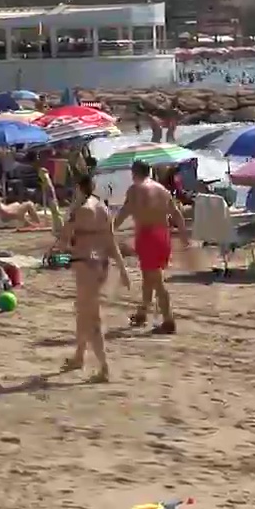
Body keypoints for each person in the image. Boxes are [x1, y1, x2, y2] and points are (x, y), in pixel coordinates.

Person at [57, 174, 130, 383]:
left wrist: (68, 212)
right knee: (83, 311)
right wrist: (123, 268)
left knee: (90, 316)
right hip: (101, 264)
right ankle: (79, 356)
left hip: (85, 263)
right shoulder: (103, 208)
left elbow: (62, 239)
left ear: (79, 189)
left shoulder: (81, 211)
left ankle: (104, 367)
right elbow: (111, 240)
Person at [115, 160, 189, 334]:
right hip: (163, 235)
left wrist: (109, 229)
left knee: (156, 280)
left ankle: (169, 319)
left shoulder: (135, 189)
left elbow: (124, 212)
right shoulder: (162, 190)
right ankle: (142, 312)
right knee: (149, 277)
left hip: (148, 236)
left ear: (134, 173)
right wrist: (184, 235)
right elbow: (176, 213)